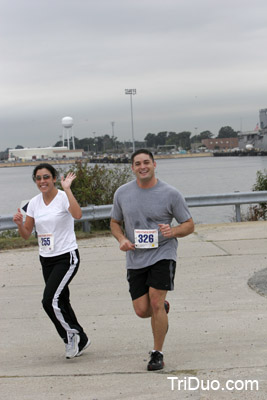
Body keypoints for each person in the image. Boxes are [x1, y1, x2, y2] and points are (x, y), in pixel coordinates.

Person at [110, 149, 194, 371]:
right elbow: (114, 222)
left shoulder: (171, 193)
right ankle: (162, 309)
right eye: (137, 164)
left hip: (163, 254)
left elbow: (189, 225)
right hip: (135, 257)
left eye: (146, 162)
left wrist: (173, 231)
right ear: (132, 168)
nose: (142, 166)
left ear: (155, 164)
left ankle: (157, 353)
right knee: (141, 310)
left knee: (155, 302)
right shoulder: (122, 193)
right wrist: (121, 239)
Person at [13, 163, 90, 359]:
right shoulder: (34, 203)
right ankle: (82, 337)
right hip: (46, 258)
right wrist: (19, 224)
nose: (42, 181)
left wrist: (67, 189)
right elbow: (26, 234)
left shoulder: (64, 197)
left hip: (67, 257)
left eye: (46, 177)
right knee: (62, 299)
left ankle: (69, 336)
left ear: (54, 178)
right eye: (38, 178)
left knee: (49, 300)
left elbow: (78, 215)